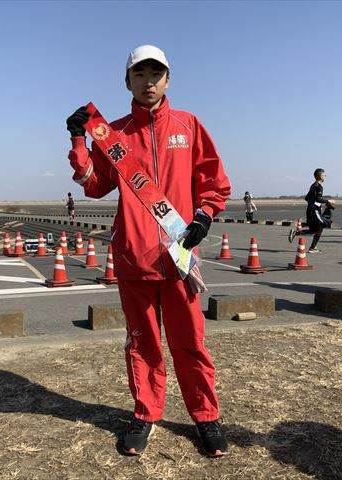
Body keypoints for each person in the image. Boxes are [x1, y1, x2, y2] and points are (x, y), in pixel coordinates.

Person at [65, 45, 231, 457]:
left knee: (190, 343)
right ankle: (145, 413)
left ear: (168, 80)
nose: (148, 81)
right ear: (128, 82)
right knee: (142, 344)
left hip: (179, 259)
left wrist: (205, 216)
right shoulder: (113, 135)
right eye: (139, 74)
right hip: (133, 258)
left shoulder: (189, 125)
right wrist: (78, 139)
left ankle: (206, 417)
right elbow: (94, 185)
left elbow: (213, 182)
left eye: (156, 74)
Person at [288, 168, 330, 252]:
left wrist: (314, 203)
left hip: (310, 210)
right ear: (320, 176)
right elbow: (318, 198)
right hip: (315, 211)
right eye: (324, 175)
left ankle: (296, 233)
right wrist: (328, 201)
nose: (325, 176)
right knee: (321, 226)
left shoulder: (313, 185)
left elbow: (307, 198)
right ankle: (312, 248)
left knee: (313, 230)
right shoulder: (319, 187)